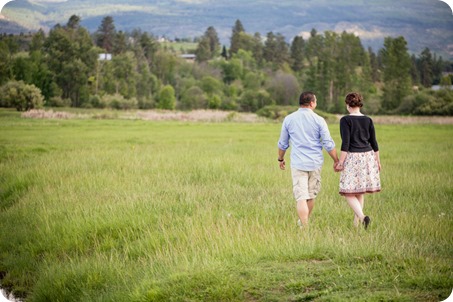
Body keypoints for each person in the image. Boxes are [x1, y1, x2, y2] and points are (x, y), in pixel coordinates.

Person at [277, 91, 339, 229]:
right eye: (315, 101)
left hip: (298, 163)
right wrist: (336, 160)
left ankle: (303, 226)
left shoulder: (289, 119)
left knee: (301, 197)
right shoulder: (319, 120)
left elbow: (282, 143)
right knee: (310, 196)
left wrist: (280, 159)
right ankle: (304, 225)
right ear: (312, 103)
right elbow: (328, 143)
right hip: (315, 163)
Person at [335, 92, 381, 229]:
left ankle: (362, 217)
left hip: (353, 157)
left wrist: (340, 162)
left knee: (347, 191)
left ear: (347, 105)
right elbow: (374, 143)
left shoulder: (345, 120)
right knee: (359, 191)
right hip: (368, 156)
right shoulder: (368, 120)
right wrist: (378, 161)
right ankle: (357, 225)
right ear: (360, 105)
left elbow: (346, 143)